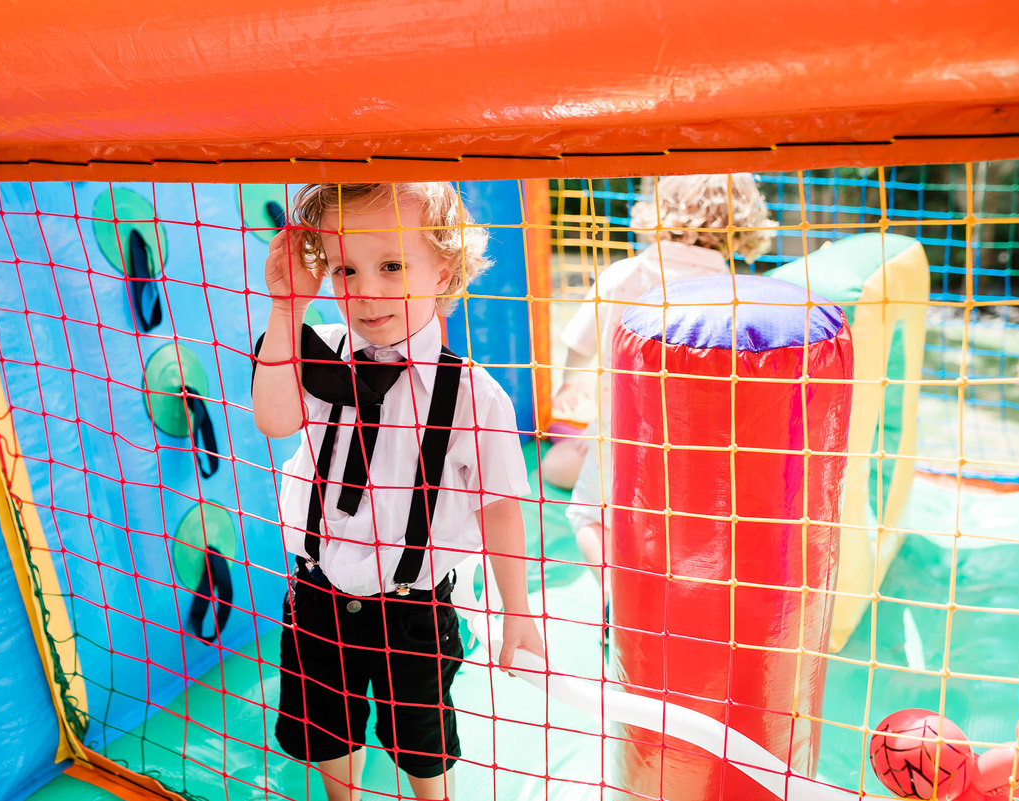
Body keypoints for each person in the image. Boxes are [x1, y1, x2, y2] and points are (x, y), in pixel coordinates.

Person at [251, 182, 545, 801]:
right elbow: (274, 420)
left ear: (445, 270)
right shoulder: (316, 349)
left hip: (412, 609)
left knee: (422, 738)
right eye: (345, 270)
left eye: (391, 265)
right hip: (316, 593)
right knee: (324, 728)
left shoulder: (473, 395)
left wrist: (516, 608)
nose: (366, 291)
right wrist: (287, 309)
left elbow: (500, 508)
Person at [543, 174, 774, 596]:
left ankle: (615, 593)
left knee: (589, 514)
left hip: (622, 436)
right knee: (680, 523)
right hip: (700, 448)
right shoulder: (735, 293)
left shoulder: (625, 275)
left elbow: (580, 342)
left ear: (658, 210)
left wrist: (568, 384)